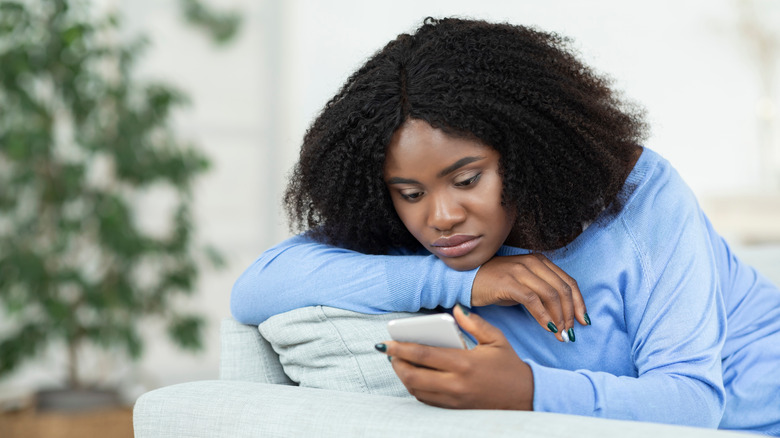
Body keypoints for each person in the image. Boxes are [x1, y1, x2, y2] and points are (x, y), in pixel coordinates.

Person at [231, 17, 780, 434]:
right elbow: (259, 286)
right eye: (411, 193)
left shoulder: (641, 199)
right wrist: (467, 281)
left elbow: (694, 401)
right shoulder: (416, 235)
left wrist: (527, 389)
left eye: (468, 180)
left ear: (525, 153)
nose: (441, 217)